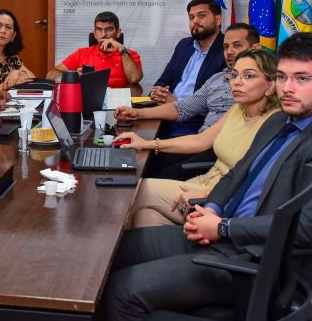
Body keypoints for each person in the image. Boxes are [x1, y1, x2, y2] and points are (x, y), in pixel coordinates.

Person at [104, 32, 312, 321]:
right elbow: (235, 173)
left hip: (257, 262)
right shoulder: (280, 121)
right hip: (224, 235)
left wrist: (223, 227)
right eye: (282, 77)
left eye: (302, 79)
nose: (288, 88)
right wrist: (213, 207)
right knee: (114, 252)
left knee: (123, 291)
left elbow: (306, 228)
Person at [115, 48, 281, 228]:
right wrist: (146, 143)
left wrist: (210, 193)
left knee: (134, 190)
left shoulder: (275, 122)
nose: (236, 82)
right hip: (201, 181)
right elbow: (200, 140)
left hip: (217, 199)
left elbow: (258, 184)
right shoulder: (238, 108)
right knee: (146, 216)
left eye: (248, 76)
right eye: (234, 75)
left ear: (271, 85)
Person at [117, 22, 260, 179]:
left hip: (220, 156)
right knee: (137, 159)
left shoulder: (260, 87)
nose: (230, 52)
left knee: (148, 174)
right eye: (226, 47)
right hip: (198, 144)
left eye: (237, 46)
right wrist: (137, 113)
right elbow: (182, 108)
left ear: (256, 49)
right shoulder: (218, 79)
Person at [152, 0, 227, 138]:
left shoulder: (226, 50)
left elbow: (219, 102)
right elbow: (164, 79)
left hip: (196, 124)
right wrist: (158, 92)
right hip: (166, 114)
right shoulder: (184, 45)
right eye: (191, 17)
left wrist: (178, 103)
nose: (195, 21)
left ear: (218, 20)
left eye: (201, 16)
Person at [46, 11, 143, 88]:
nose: (104, 34)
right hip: (88, 100)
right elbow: (51, 75)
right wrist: (74, 76)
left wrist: (121, 48)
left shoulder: (129, 54)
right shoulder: (82, 53)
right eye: (99, 29)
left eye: (109, 29)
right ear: (95, 33)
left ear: (118, 33)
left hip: (118, 103)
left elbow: (134, 79)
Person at [0, 9, 36, 93]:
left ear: (13, 35)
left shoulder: (11, 55)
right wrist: (8, 85)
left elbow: (31, 77)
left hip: (10, 103)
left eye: (8, 27)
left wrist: (16, 72)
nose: (3, 31)